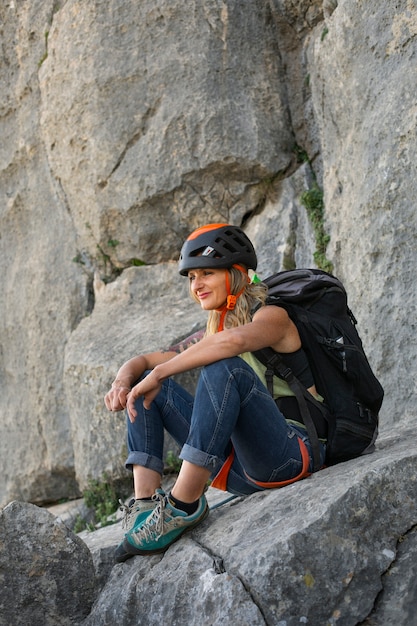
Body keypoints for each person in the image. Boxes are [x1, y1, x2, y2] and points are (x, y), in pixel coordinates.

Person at [104, 223, 327, 562]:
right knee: (146, 381)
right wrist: (124, 380)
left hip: (292, 455)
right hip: (243, 470)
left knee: (224, 367)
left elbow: (233, 343)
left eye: (206, 273)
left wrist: (163, 371)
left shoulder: (273, 316)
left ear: (237, 273)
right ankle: (147, 509)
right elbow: (145, 361)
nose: (197, 285)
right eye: (192, 278)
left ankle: (183, 505)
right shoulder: (217, 326)